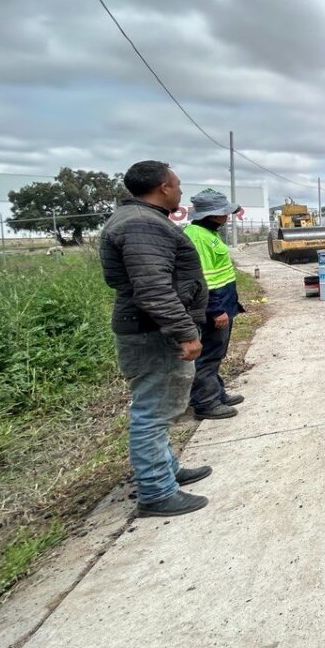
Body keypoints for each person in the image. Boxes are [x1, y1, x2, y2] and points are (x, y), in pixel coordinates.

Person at [99, 161, 212, 518]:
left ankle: (167, 470)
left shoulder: (141, 220)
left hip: (149, 327)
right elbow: (153, 288)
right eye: (177, 185)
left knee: (159, 407)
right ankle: (156, 492)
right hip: (152, 332)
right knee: (152, 412)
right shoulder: (142, 224)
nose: (180, 191)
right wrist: (185, 332)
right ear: (163, 187)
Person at [184, 190, 245, 421]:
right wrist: (216, 310)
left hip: (223, 304)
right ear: (214, 214)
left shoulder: (206, 233)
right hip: (213, 308)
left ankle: (216, 393)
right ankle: (206, 403)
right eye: (224, 212)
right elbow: (205, 280)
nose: (227, 215)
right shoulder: (198, 237)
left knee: (215, 354)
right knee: (208, 356)